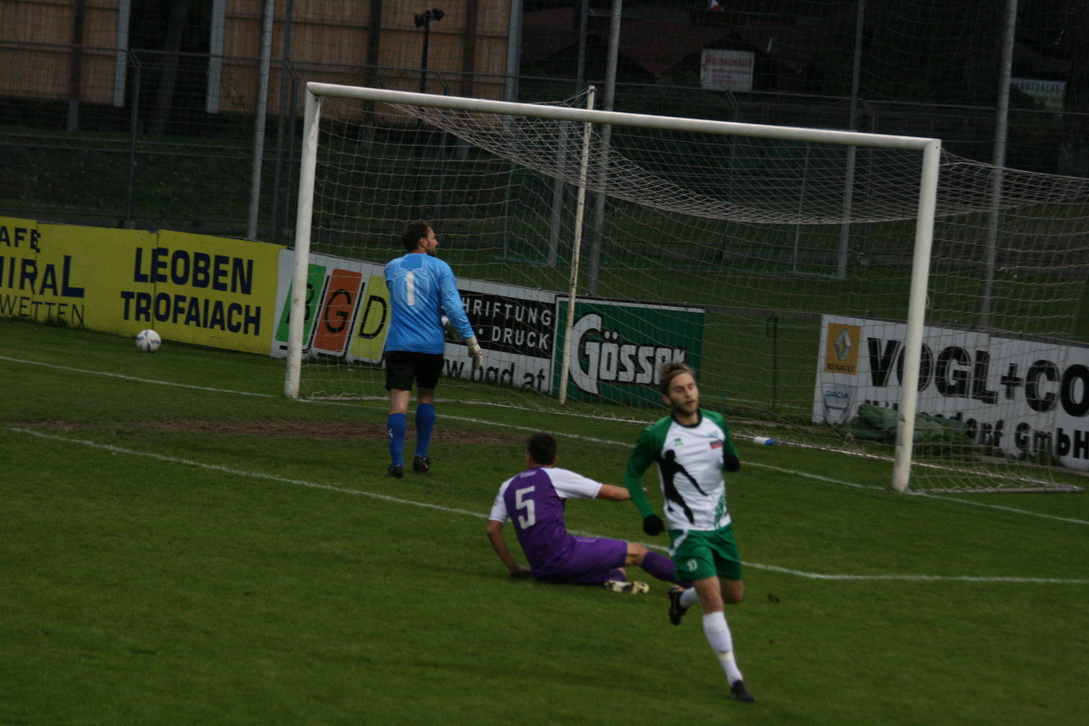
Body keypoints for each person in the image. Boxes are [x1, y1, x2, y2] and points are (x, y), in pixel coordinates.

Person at [623, 361, 756, 703]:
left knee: (734, 595)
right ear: (667, 399)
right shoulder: (656, 434)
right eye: (679, 390)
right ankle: (735, 679)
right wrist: (648, 514)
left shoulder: (717, 422)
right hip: (686, 531)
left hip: (721, 527)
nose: (688, 394)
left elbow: (728, 455)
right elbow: (632, 475)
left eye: (691, 387)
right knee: (713, 599)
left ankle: (681, 599)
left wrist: (732, 461)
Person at [487, 432, 677, 592]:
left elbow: (492, 530)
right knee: (637, 552)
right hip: (562, 556)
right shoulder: (555, 476)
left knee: (616, 566)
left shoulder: (507, 486)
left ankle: (615, 582)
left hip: (541, 570)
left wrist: (513, 568)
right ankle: (696, 581)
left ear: (528, 456)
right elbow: (610, 493)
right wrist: (635, 492)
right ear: (554, 459)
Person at [383, 221, 483, 478]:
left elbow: (409, 306)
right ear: (423, 242)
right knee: (425, 396)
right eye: (434, 237)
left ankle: (396, 463)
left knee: (398, 404)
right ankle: (420, 456)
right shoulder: (440, 268)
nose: (437, 242)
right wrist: (471, 341)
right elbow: (453, 307)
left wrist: (442, 321)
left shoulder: (392, 267)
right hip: (430, 345)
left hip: (399, 344)